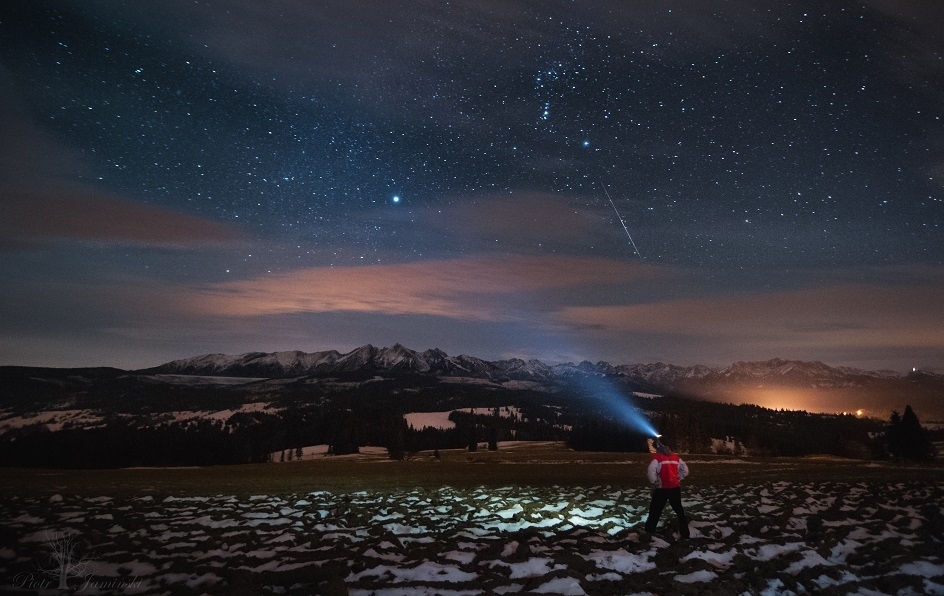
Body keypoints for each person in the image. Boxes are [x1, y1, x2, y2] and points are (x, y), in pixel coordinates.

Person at [644, 439, 690, 539]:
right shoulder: (676, 457)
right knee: (679, 511)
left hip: (662, 489)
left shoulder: (657, 458)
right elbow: (685, 471)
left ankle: (649, 531)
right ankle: (685, 533)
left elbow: (651, 472)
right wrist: (678, 478)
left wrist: (655, 482)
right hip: (675, 488)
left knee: (655, 510)